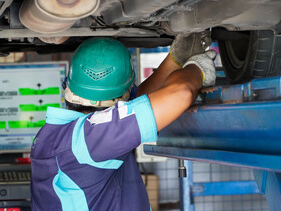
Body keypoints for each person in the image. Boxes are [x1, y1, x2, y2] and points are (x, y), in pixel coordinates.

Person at [30, 33, 216, 210]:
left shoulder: (59, 135)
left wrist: (176, 59)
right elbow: (181, 93)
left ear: (69, 85)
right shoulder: (88, 141)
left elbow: (126, 112)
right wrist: (196, 69)